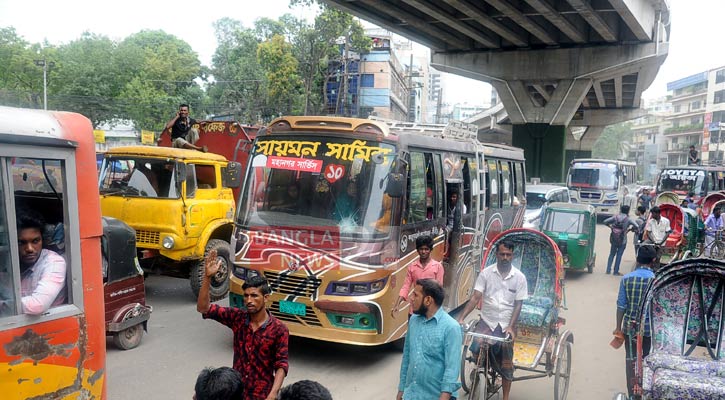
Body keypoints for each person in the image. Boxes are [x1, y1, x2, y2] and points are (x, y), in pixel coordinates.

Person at [197, 251, 289, 400]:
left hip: (262, 394)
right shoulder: (237, 318)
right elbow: (203, 308)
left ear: (265, 298)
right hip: (236, 392)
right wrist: (207, 277)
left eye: (254, 296)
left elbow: (282, 365)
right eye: (246, 296)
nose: (249, 300)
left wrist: (273, 394)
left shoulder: (279, 329)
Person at [456, 240, 528, 400]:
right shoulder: (486, 273)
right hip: (487, 321)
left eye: (508, 254)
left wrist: (510, 327)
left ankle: (506, 397)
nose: (505, 257)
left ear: (512, 256)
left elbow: (518, 304)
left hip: (506, 325)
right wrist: (461, 318)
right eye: (502, 254)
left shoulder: (520, 278)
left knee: (506, 363)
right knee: (476, 348)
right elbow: (475, 297)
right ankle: (480, 371)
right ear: (496, 255)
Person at [396, 279, 462, 400]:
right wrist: (401, 390)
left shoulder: (451, 327)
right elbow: (407, 357)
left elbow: (451, 369)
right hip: (411, 394)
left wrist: (444, 397)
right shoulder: (413, 320)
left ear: (428, 300)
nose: (411, 298)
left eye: (415, 295)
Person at [612, 244, 657, 398]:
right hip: (650, 331)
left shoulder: (626, 279)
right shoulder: (656, 281)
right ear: (653, 261)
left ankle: (633, 393)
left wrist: (618, 328)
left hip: (630, 330)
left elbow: (621, 305)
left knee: (631, 361)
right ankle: (646, 391)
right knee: (647, 361)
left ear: (637, 260)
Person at [16, 208, 67, 315]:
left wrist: (5, 304)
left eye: (35, 241)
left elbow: (37, 305)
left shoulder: (54, 263)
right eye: (21, 242)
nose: (29, 248)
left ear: (42, 240)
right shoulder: (8, 262)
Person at [391, 235, 444, 318]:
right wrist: (397, 305)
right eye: (421, 249)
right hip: (414, 310)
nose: (423, 252)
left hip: (429, 311)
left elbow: (439, 289)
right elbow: (406, 287)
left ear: (430, 250)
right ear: (417, 250)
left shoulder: (437, 267)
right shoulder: (412, 267)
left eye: (426, 249)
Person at [604, 205, 638, 276]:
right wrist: (630, 229)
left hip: (614, 238)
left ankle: (608, 270)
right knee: (619, 255)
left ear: (621, 210)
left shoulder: (615, 217)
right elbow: (637, 226)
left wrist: (611, 227)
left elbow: (605, 221)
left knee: (611, 254)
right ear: (628, 211)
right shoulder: (628, 219)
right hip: (623, 239)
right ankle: (616, 271)